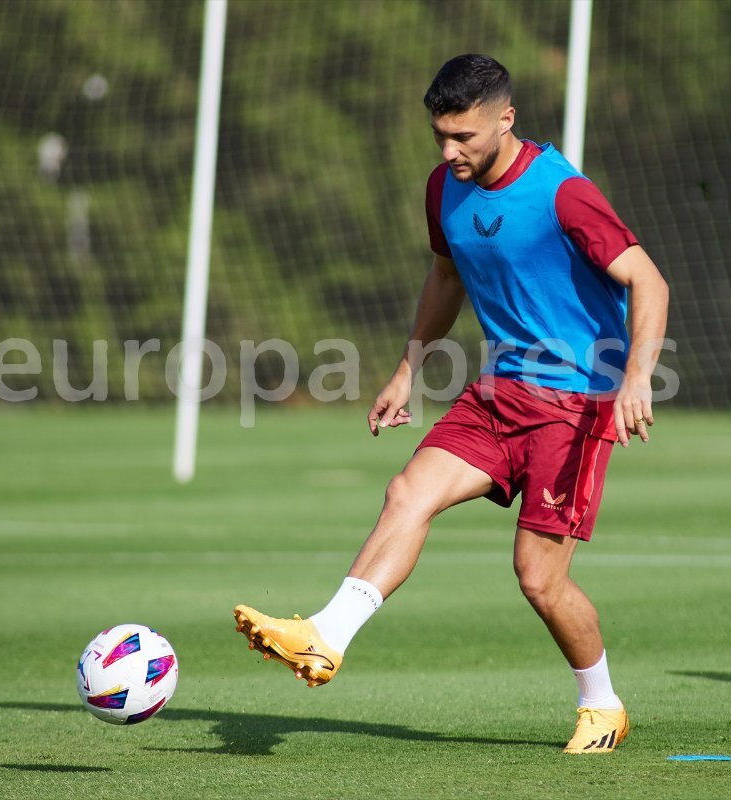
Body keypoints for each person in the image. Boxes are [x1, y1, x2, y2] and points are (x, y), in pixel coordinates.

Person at [233, 54, 669, 755]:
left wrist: (638, 376)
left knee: (539, 579)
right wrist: (408, 368)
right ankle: (326, 636)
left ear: (506, 119)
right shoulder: (444, 189)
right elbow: (445, 275)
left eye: (463, 136)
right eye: (439, 134)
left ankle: (603, 704)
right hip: (500, 392)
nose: (449, 150)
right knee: (408, 491)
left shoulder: (564, 193)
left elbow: (648, 279)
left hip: (576, 407)